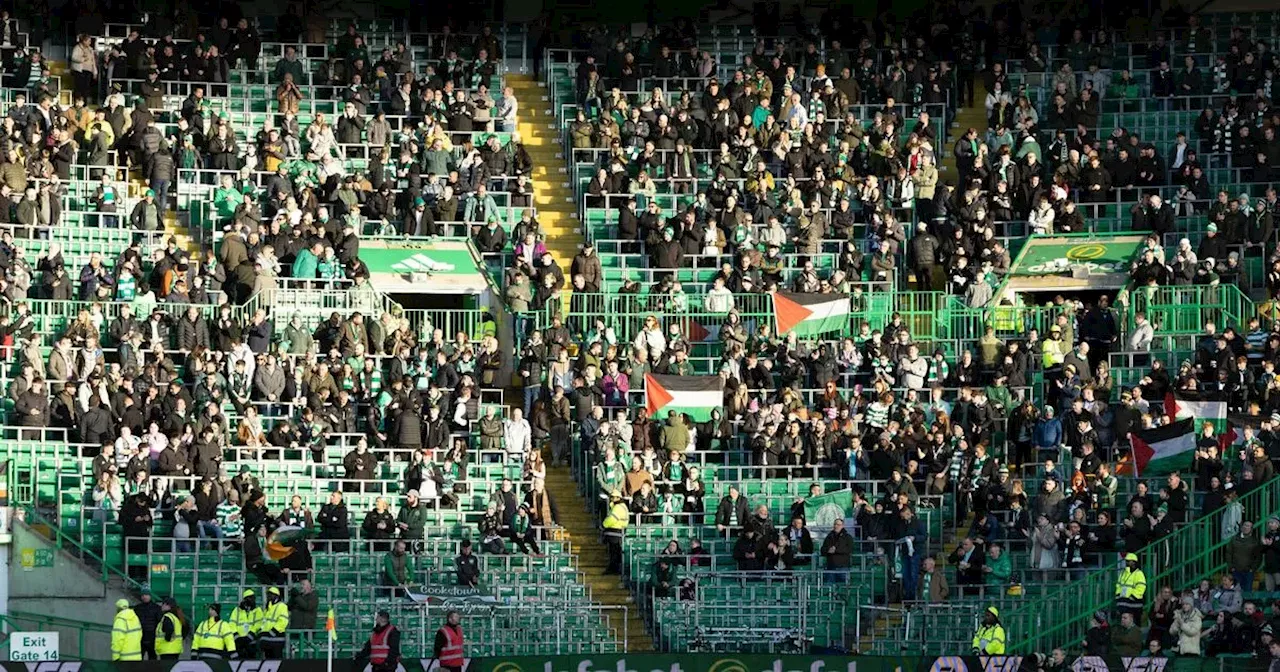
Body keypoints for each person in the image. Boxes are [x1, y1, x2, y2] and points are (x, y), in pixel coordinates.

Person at [258, 586, 289, 659]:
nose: (269, 596)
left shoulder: (282, 606)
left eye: (271, 594)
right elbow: (264, 622)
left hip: (277, 638)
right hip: (268, 638)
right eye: (268, 594)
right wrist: (262, 632)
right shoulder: (268, 608)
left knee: (277, 661)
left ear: (276, 596)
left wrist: (273, 632)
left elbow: (283, 621)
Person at [230, 589, 262, 659]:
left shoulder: (257, 610)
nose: (252, 600)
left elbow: (258, 624)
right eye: (250, 597)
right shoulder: (237, 610)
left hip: (251, 640)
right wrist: (237, 636)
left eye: (253, 598)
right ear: (245, 599)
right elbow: (232, 624)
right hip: (239, 641)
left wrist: (250, 635)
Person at [1115, 552, 1147, 621]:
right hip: (1123, 604)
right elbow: (1118, 586)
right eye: (1126, 561)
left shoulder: (1139, 573)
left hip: (1134, 604)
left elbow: (1141, 587)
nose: (1126, 562)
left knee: (1135, 626)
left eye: (1128, 561)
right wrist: (1118, 597)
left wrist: (1132, 597)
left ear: (1134, 562)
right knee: (1124, 626)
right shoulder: (1123, 573)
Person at [602, 494, 629, 574]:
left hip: (615, 531)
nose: (612, 499)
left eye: (613, 497)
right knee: (615, 552)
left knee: (614, 552)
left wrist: (604, 524)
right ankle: (615, 569)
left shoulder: (618, 508)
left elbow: (612, 519)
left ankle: (613, 569)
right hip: (617, 531)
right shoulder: (621, 506)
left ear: (618, 498)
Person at [134, 589, 162, 659]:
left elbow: (159, 622)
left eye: (146, 595)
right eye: (143, 595)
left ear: (150, 596)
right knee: (138, 658)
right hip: (140, 637)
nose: (144, 597)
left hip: (152, 637)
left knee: (152, 659)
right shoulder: (137, 608)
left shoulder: (157, 608)